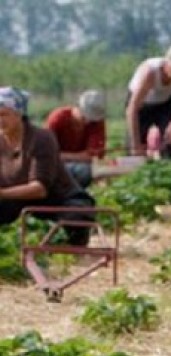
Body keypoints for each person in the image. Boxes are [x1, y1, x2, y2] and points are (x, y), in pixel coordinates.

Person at [0, 87, 96, 245]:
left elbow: (39, 189)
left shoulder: (41, 138)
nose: (0, 120)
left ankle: (71, 248)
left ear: (19, 114)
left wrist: (2, 193)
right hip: (17, 201)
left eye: (4, 114)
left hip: (57, 200)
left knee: (76, 217)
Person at [125, 44, 171, 159]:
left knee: (169, 143)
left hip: (166, 103)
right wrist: (135, 144)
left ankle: (168, 167)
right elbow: (132, 109)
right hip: (142, 105)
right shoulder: (150, 72)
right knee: (135, 149)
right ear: (167, 64)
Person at [44, 89, 107, 188]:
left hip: (84, 167)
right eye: (84, 117)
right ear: (77, 107)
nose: (87, 122)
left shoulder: (97, 123)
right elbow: (47, 153)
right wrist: (79, 156)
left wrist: (63, 155)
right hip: (57, 166)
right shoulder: (58, 118)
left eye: (90, 119)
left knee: (86, 171)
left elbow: (94, 155)